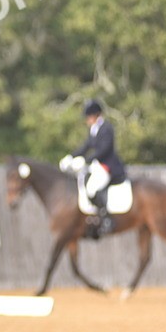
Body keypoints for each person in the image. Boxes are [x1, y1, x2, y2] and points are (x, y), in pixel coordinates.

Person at [60, 98, 127, 238]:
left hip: (108, 165)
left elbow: (104, 150)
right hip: (97, 165)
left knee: (92, 188)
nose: (86, 120)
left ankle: (107, 218)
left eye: (88, 117)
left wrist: (85, 160)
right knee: (83, 184)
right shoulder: (94, 130)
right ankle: (94, 217)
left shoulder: (106, 128)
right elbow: (85, 147)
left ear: (95, 115)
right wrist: (70, 157)